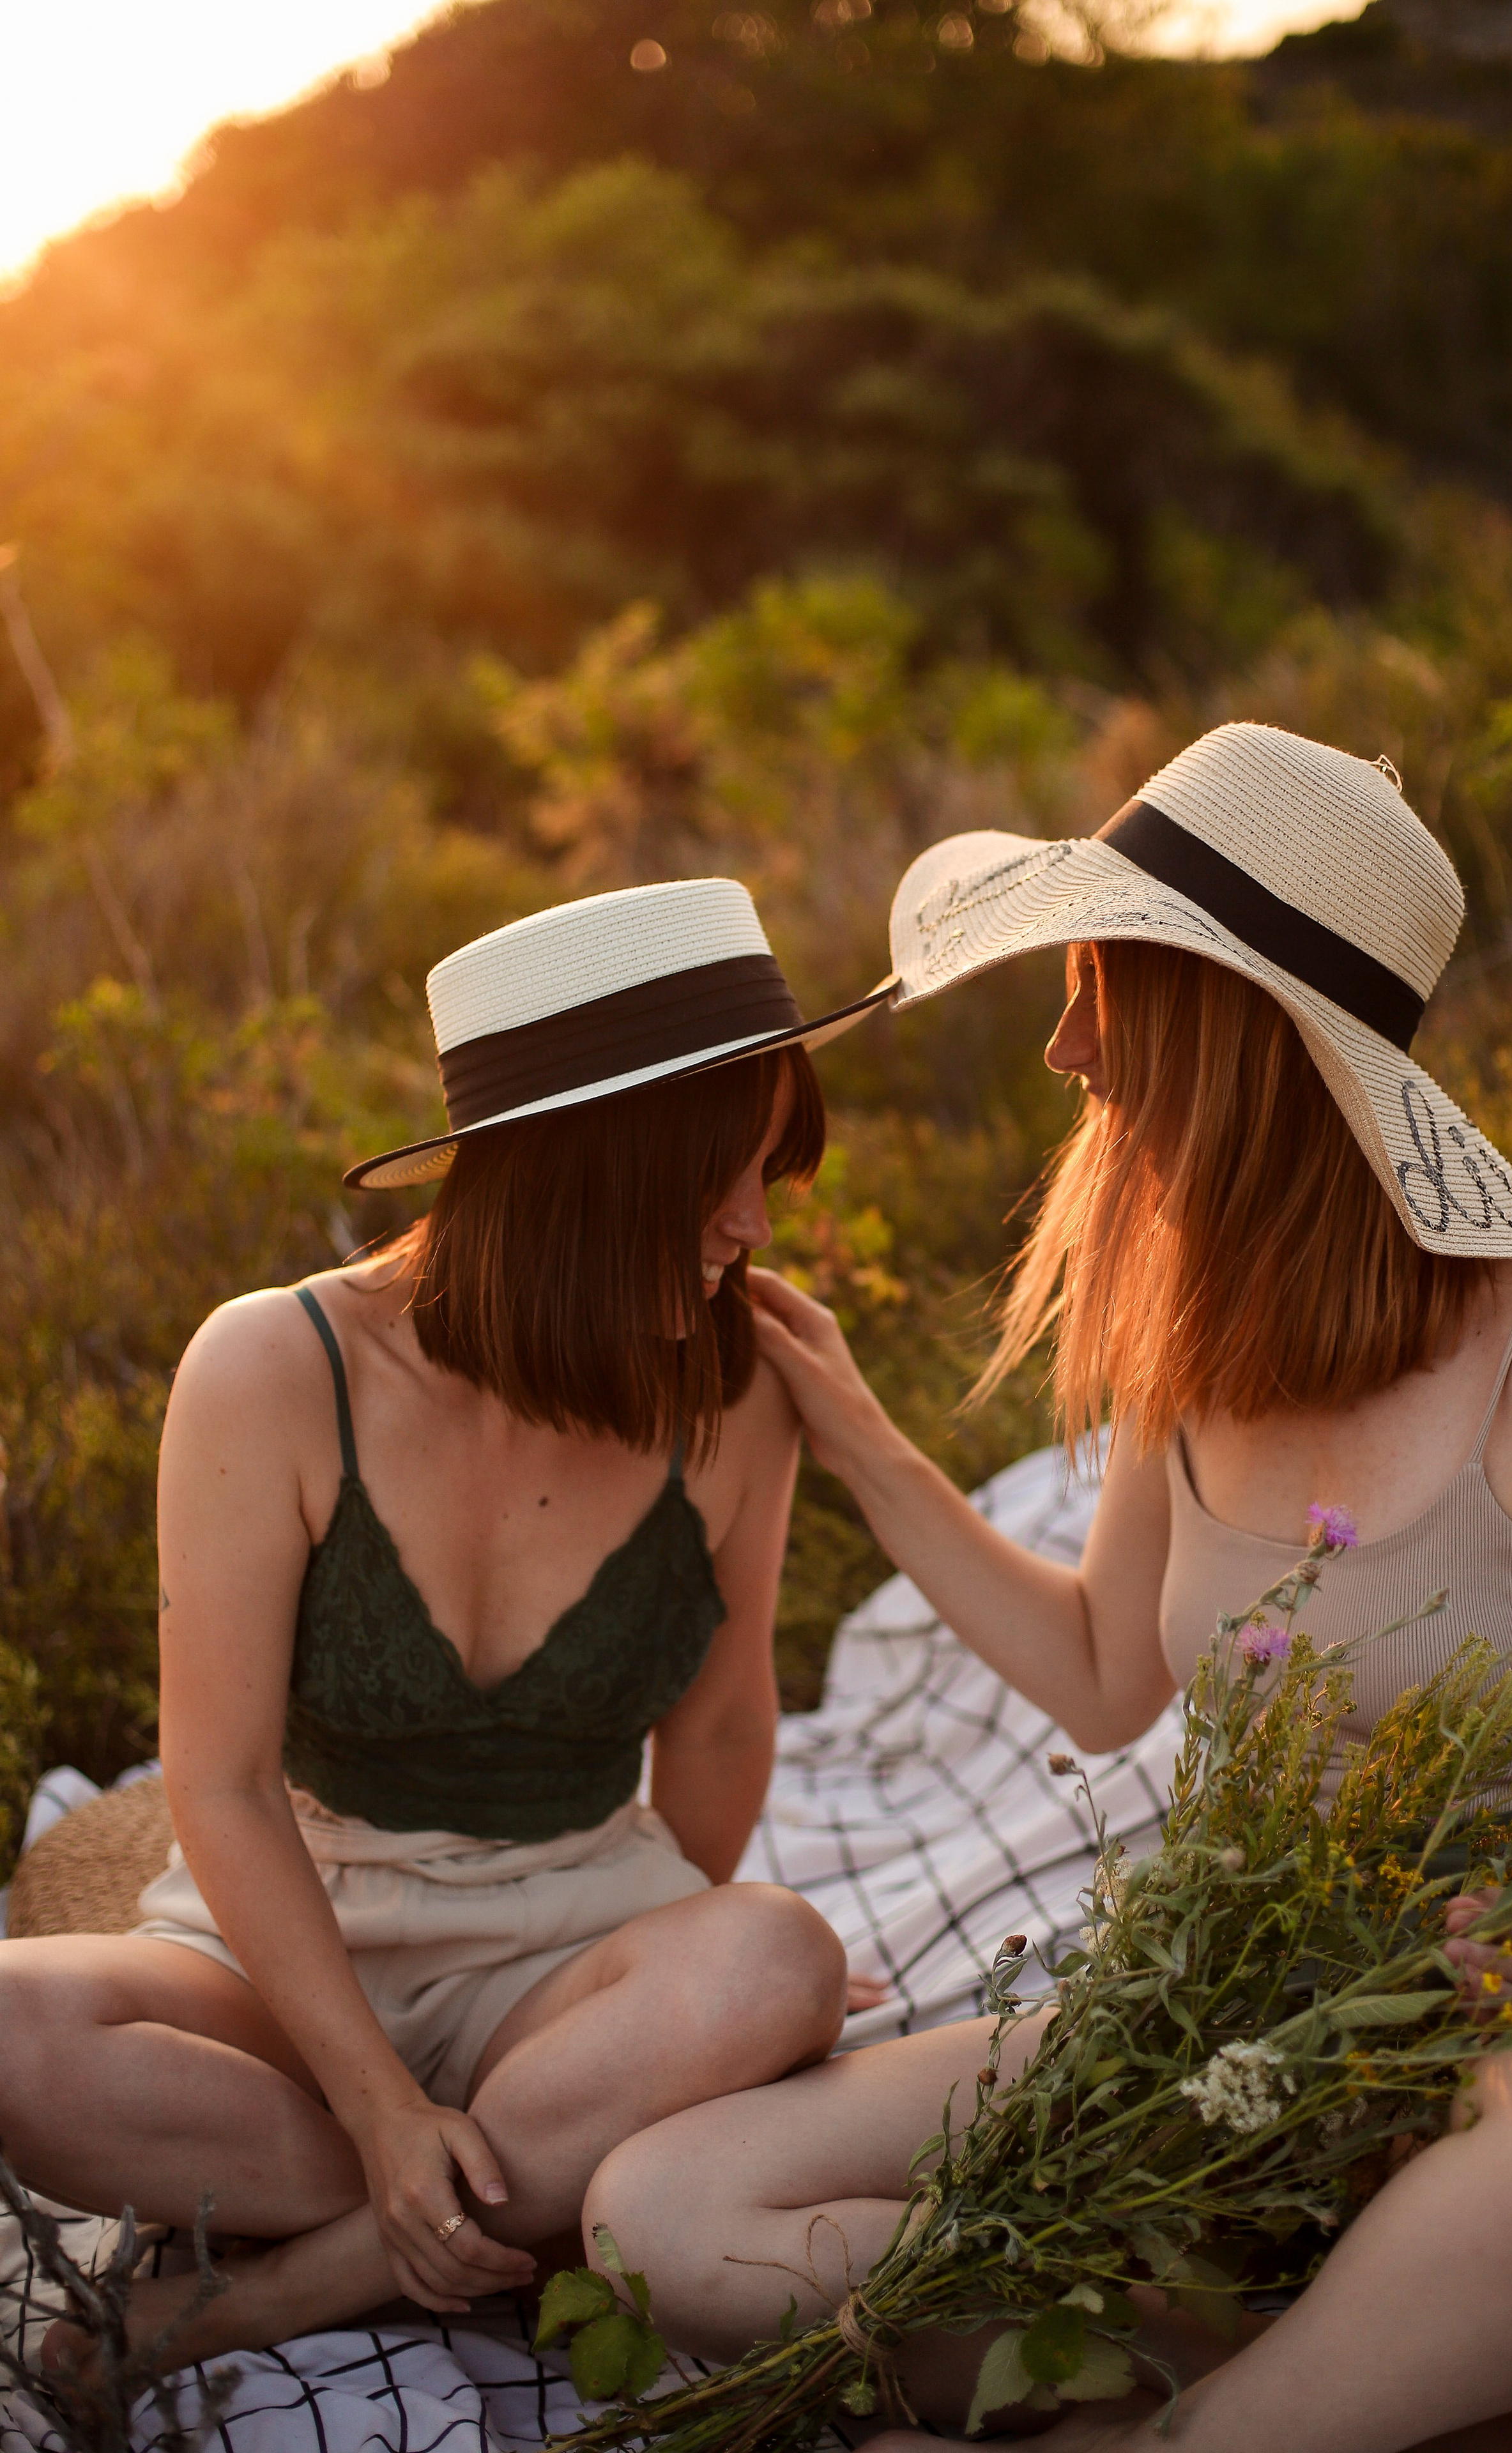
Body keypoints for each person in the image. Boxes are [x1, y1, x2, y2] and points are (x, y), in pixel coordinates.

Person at [584, 726, 1512, 2450]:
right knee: (658, 2215)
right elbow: (1101, 1677)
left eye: (1100, 986)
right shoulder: (1199, 1342)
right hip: (1234, 2018)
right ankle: (1380, 2388)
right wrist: (853, 1432)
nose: (1065, 1044)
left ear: (1234, 1037)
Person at [0, 876, 894, 2367]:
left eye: (764, 1175)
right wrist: (379, 2103)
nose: (751, 1225)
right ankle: (516, 2192)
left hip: (570, 1936)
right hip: (291, 1940)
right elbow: (213, 1781)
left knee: (774, 1959)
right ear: (575, 1172)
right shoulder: (274, 1369)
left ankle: (303, 2280)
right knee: (12, 2039)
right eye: (714, 1179)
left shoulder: (730, 1384)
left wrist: (669, 1996)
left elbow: (729, 1718)